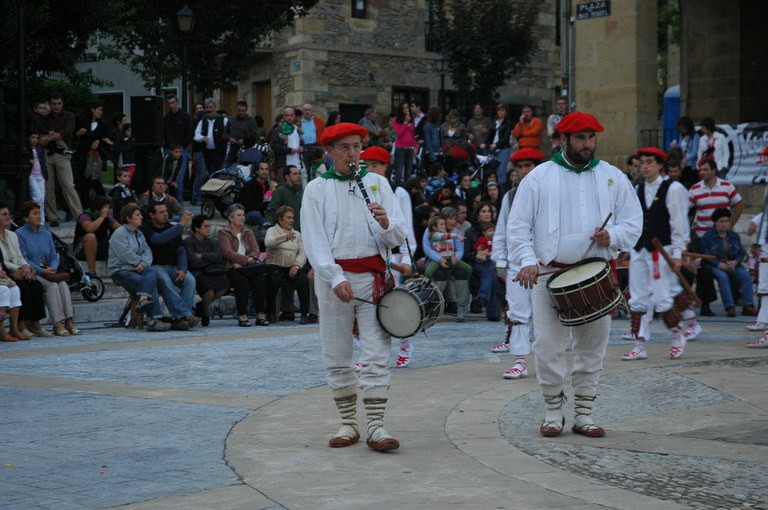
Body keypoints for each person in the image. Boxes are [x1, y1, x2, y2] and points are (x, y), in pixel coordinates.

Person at [508, 112, 642, 437]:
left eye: (591, 137)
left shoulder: (612, 176)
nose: (587, 144)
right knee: (547, 346)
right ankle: (553, 411)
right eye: (580, 137)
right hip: (549, 275)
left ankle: (584, 414)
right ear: (563, 139)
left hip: (597, 275)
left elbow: (633, 221)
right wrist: (527, 260)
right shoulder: (539, 177)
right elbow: (518, 226)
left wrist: (613, 237)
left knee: (592, 348)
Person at [301, 122, 408, 451]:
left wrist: (386, 222)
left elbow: (399, 235)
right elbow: (314, 239)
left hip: (373, 280)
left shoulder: (377, 183)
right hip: (334, 282)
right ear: (330, 152)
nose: (352, 154)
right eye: (344, 147)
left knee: (377, 354)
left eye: (357, 147)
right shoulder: (316, 189)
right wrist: (334, 277)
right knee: (337, 355)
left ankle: (376, 425)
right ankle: (348, 423)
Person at [621, 147, 691, 362]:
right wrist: (626, 247)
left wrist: (678, 254)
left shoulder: (673, 188)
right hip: (639, 249)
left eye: (649, 162)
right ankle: (639, 344)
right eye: (642, 162)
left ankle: (677, 334)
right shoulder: (638, 188)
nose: (645, 167)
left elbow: (679, 224)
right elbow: (633, 220)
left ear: (660, 165)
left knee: (662, 296)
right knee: (637, 297)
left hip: (661, 250)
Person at [491, 148, 544, 379]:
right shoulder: (510, 196)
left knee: (546, 314)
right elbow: (502, 230)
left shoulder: (549, 192)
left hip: (544, 262)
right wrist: (500, 260)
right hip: (517, 262)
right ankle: (520, 360)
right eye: (519, 167)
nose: (523, 171)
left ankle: (547, 360)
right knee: (518, 311)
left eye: (527, 166)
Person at [17, 201, 83, 336]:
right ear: (26, 217)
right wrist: (42, 271)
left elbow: (54, 255)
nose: (38, 216)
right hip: (33, 272)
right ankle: (57, 323)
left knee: (62, 284)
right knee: (51, 286)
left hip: (49, 271)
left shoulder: (46, 233)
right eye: (34, 214)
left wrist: (52, 268)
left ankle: (69, 321)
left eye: (39, 213)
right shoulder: (20, 234)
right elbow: (24, 258)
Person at [688, 157, 743, 315]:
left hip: (722, 236)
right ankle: (705, 304)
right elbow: (686, 210)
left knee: (729, 265)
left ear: (714, 171)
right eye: (701, 170)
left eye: (706, 169)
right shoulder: (695, 189)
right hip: (702, 237)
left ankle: (736, 298)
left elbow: (739, 204)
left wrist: (730, 224)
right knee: (704, 270)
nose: (702, 172)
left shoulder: (726, 186)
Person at [108, 203, 171, 332]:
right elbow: (126, 254)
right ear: (128, 218)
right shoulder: (119, 234)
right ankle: (153, 320)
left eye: (140, 215)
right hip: (121, 270)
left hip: (138, 269)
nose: (141, 217)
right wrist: (138, 263)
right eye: (137, 215)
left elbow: (148, 252)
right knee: (149, 283)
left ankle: (144, 301)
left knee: (152, 271)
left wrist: (143, 264)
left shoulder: (139, 233)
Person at [142, 203, 200, 330]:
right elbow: (158, 239)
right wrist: (181, 224)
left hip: (173, 267)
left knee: (190, 280)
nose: (165, 214)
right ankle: (185, 315)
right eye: (161, 212)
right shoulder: (146, 227)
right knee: (165, 280)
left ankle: (181, 319)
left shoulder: (172, 228)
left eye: (166, 211)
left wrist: (183, 269)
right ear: (151, 215)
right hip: (155, 266)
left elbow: (181, 251)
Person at [218, 204, 271, 327]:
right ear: (230, 218)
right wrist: (247, 259)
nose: (242, 218)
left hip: (247, 266)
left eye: (243, 215)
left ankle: (261, 314)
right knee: (241, 281)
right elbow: (227, 253)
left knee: (259, 279)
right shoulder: (223, 232)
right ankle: (242, 315)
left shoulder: (248, 232)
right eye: (238, 215)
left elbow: (256, 250)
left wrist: (247, 260)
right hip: (232, 266)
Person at [0, 202, 48, 338]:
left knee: (36, 285)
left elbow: (19, 256)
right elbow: (3, 261)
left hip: (18, 269)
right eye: (4, 214)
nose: (8, 217)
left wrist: (26, 266)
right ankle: (20, 325)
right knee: (22, 287)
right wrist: (20, 268)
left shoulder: (12, 235)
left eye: (8, 214)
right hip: (8, 271)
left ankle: (35, 324)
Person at [699, 207, 756, 317]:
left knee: (746, 277)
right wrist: (718, 263)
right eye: (721, 221)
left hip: (732, 264)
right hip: (716, 265)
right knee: (723, 277)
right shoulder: (708, 236)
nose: (724, 224)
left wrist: (736, 261)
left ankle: (748, 305)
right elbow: (705, 254)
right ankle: (730, 306)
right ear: (715, 222)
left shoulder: (734, 236)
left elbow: (741, 252)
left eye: (726, 221)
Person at [423, 208, 472, 322]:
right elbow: (427, 248)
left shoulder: (457, 232)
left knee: (462, 273)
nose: (453, 221)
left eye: (454, 219)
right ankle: (434, 305)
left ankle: (461, 306)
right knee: (439, 274)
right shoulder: (431, 230)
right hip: (435, 261)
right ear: (443, 219)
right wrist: (439, 259)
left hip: (451, 260)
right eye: (450, 219)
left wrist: (456, 257)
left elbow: (459, 249)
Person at [265, 205, 313, 323]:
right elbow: (268, 243)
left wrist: (296, 265)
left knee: (303, 280)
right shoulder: (272, 230)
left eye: (292, 218)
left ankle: (304, 313)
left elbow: (302, 252)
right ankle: (269, 313)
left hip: (292, 266)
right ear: (280, 219)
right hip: (276, 265)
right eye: (288, 218)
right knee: (273, 280)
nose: (291, 220)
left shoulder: (297, 234)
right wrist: (284, 237)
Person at [41, 94, 83, 227]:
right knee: (48, 187)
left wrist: (49, 137)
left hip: (62, 153)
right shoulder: (46, 117)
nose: (56, 106)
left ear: (62, 103)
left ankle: (79, 215)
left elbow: (67, 132)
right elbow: (41, 132)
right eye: (54, 104)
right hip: (48, 153)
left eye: (58, 103)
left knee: (68, 185)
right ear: (50, 104)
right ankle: (53, 217)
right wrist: (51, 136)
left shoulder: (68, 116)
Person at [183, 215, 230, 326]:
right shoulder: (189, 242)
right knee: (209, 292)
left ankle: (202, 306)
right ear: (197, 228)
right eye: (205, 226)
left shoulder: (213, 242)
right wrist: (211, 259)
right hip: (198, 272)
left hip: (214, 271)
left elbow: (219, 257)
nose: (208, 229)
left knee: (224, 287)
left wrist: (202, 256)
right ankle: (206, 310)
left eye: (209, 226)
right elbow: (193, 261)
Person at [73, 196, 120, 278]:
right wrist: (102, 217)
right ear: (97, 209)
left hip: (100, 248)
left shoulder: (107, 218)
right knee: (90, 236)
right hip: (82, 249)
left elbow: (121, 229)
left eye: (108, 208)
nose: (107, 210)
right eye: (105, 208)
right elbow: (89, 228)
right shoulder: (85, 216)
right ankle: (92, 271)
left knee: (118, 236)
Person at [163, 94, 194, 202]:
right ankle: (169, 201)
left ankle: (178, 202)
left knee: (178, 177)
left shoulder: (185, 116)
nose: (171, 105)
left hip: (181, 149)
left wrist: (183, 145)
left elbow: (190, 132)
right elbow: (165, 133)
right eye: (169, 103)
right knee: (167, 176)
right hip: (169, 148)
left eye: (173, 103)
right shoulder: (167, 117)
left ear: (177, 103)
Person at [193, 98, 228, 183]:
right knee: (208, 173)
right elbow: (195, 135)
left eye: (210, 107)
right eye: (207, 107)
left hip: (219, 152)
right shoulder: (203, 121)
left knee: (216, 173)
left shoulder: (223, 120)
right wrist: (201, 137)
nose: (208, 110)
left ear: (215, 108)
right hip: (207, 152)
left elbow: (229, 135)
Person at [482, 103, 513, 185]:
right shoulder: (494, 122)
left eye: (502, 110)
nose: (500, 112)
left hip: (503, 148)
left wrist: (496, 144)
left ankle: (501, 187)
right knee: (491, 170)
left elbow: (505, 138)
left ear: (506, 112)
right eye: (499, 110)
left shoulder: (507, 123)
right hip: (493, 149)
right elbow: (489, 134)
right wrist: (484, 143)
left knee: (501, 170)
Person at [265, 165, 303, 231]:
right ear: (287, 177)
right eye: (295, 174)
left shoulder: (297, 193)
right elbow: (272, 210)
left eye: (299, 173)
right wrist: (271, 228)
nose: (298, 176)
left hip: (297, 232)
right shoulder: (281, 190)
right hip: (285, 232)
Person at [270, 107, 303, 181]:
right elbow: (274, 146)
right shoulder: (278, 130)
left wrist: (302, 148)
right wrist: (289, 150)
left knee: (297, 186)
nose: (289, 117)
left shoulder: (297, 130)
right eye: (287, 115)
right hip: (283, 165)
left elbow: (302, 143)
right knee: (283, 185)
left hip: (297, 164)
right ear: (284, 117)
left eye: (291, 115)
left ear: (294, 116)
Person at [224, 100, 259, 165]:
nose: (241, 113)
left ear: (246, 110)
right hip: (233, 152)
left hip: (246, 152)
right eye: (239, 110)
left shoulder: (251, 121)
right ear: (236, 110)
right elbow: (224, 134)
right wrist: (230, 139)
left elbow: (256, 136)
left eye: (243, 111)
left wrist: (245, 140)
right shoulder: (231, 119)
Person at [392, 102, 416, 188]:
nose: (406, 110)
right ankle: (397, 189)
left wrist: (415, 146)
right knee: (399, 171)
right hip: (400, 148)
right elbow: (399, 134)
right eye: (404, 108)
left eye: (407, 108)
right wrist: (405, 123)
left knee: (408, 172)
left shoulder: (411, 119)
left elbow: (413, 134)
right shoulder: (395, 120)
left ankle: (407, 189)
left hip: (410, 148)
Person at [25, 132, 48, 224]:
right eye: (32, 137)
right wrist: (28, 160)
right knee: (37, 198)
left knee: (42, 199)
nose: (35, 140)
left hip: (40, 175)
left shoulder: (40, 149)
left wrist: (45, 175)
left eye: (37, 138)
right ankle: (35, 218)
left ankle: (41, 221)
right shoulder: (26, 149)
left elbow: (43, 162)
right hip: (32, 176)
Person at [241, 160, 271, 226]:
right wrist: (266, 205)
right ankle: (266, 226)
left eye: (266, 169)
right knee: (255, 214)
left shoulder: (268, 185)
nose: (264, 171)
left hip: (264, 213)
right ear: (257, 171)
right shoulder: (249, 185)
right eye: (262, 169)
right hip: (249, 214)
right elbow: (248, 205)